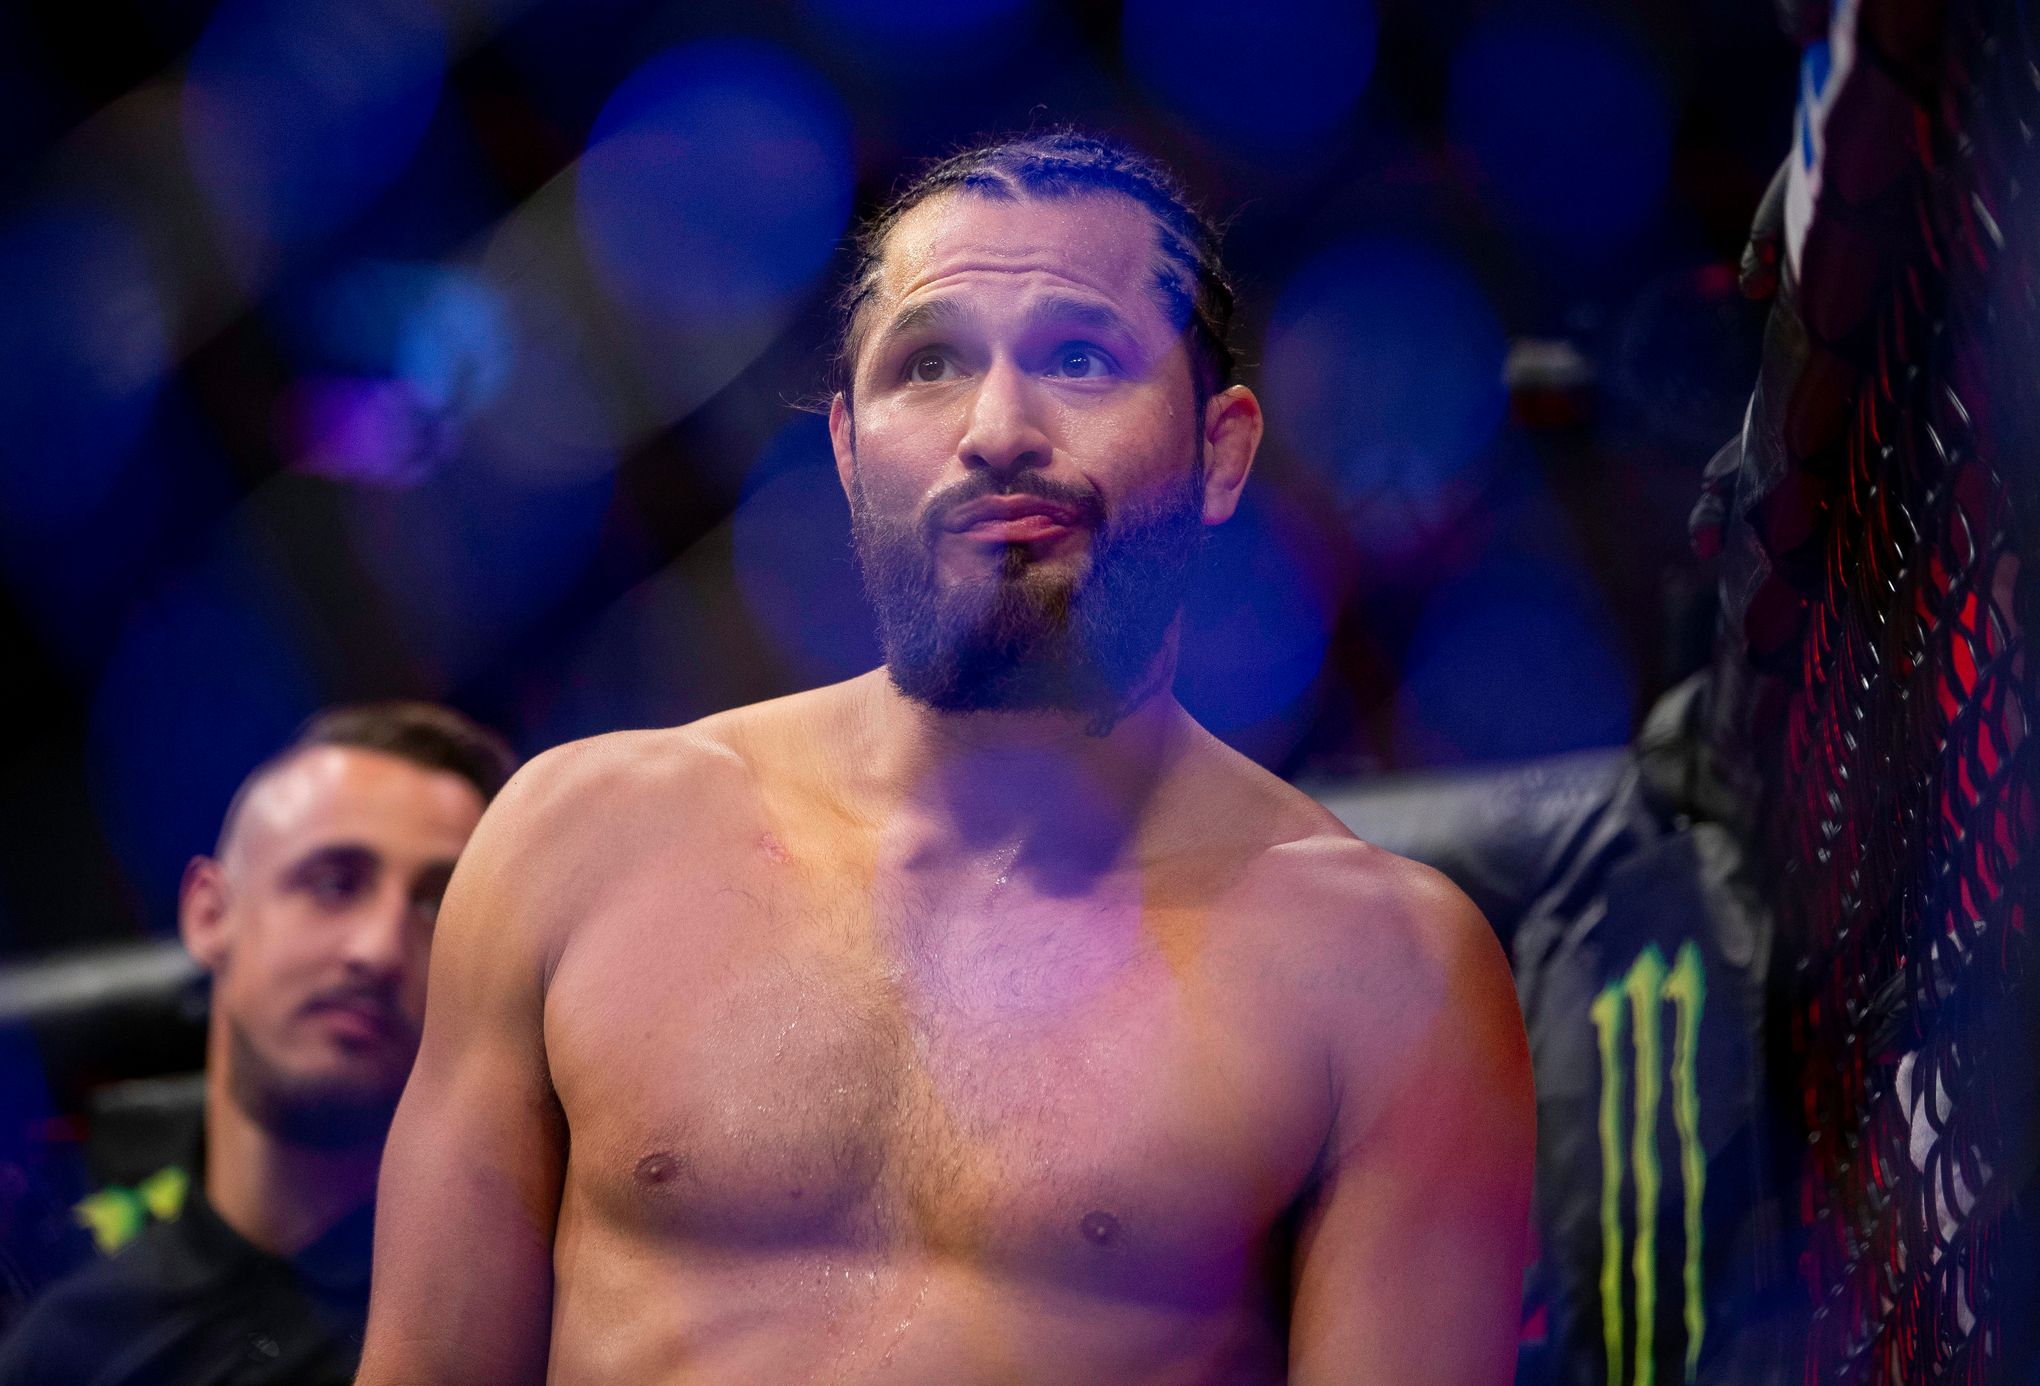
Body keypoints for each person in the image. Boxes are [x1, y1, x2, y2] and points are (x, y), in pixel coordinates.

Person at [358, 132, 1535, 1385]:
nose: (999, 429)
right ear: (851, 451)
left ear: (1222, 452)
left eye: (1082, 357)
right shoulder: (578, 840)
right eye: (930, 364)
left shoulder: (1382, 970)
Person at [0, 703, 514, 1385]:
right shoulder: (69, 1350)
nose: (380, 949)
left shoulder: (525, 1319)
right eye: (334, 883)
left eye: (437, 906)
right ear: (211, 914)